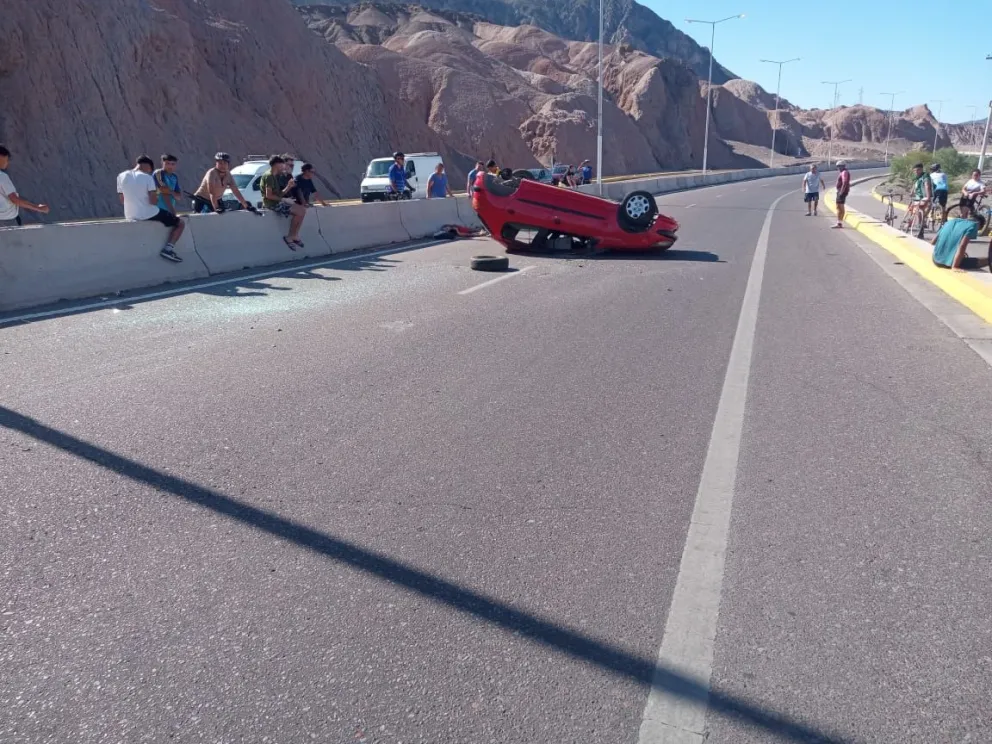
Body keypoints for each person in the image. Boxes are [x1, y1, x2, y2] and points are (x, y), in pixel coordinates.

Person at [116, 155, 185, 262]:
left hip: (130, 214)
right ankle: (168, 249)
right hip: (148, 213)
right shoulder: (148, 177)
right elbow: (153, 201)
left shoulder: (120, 176)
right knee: (180, 223)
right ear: (148, 166)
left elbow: (122, 200)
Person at [260, 155, 306, 250]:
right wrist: (284, 200)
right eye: (282, 165)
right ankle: (290, 236)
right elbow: (269, 195)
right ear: (277, 165)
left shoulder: (274, 175)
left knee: (302, 210)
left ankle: (294, 235)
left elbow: (279, 193)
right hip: (272, 204)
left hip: (276, 201)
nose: (284, 167)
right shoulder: (269, 176)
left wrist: (288, 186)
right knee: (299, 212)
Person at [0, 144, 50, 226]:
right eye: (6, 159)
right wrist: (38, 208)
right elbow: (14, 199)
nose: (7, 162)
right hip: (7, 220)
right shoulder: (2, 177)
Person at [908, 162, 933, 239]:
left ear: (922, 169)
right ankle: (916, 225)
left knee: (922, 213)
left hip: (925, 197)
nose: (916, 172)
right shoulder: (916, 177)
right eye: (915, 170)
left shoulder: (925, 177)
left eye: (918, 170)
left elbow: (927, 186)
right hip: (918, 197)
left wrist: (928, 197)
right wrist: (912, 192)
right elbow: (914, 185)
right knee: (916, 211)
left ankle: (920, 229)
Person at [832, 161, 851, 228]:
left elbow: (845, 182)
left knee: (839, 207)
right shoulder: (844, 172)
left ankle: (839, 223)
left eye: (839, 166)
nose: (838, 168)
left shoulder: (844, 172)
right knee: (839, 207)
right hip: (841, 191)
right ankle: (839, 222)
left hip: (841, 192)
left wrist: (841, 192)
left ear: (843, 166)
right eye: (837, 166)